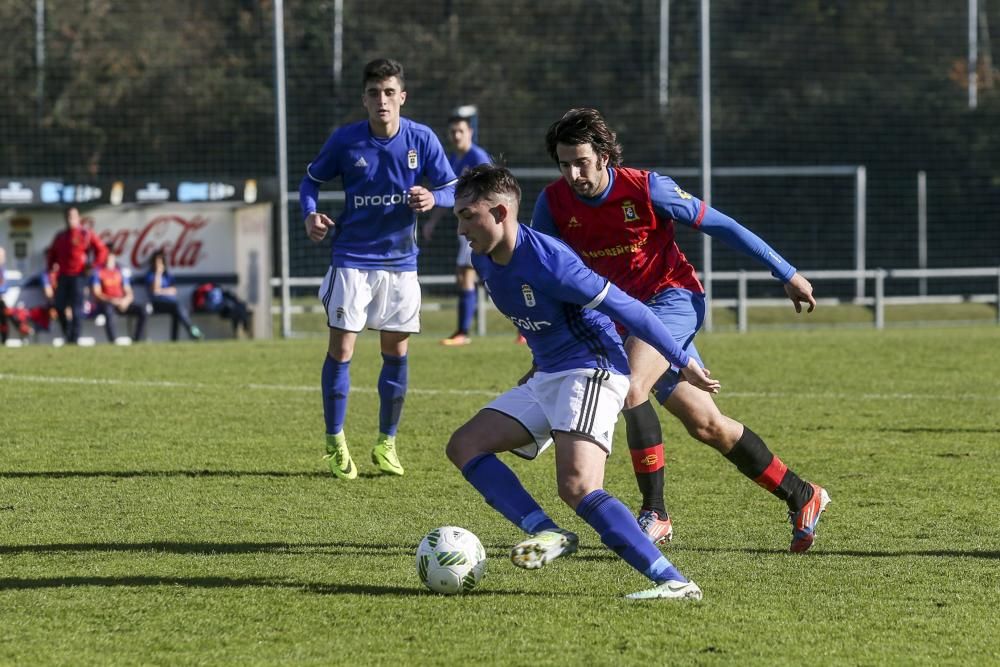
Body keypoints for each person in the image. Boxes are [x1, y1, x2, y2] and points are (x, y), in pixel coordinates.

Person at [532, 108, 830, 552]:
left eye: (582, 162)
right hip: (626, 319)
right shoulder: (553, 204)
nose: (573, 173)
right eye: (564, 164)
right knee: (708, 424)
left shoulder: (646, 188)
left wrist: (784, 271)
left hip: (673, 300)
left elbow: (723, 226)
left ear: (605, 156)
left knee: (631, 388)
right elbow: (545, 275)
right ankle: (803, 495)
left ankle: (655, 514)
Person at [446, 164, 719, 600]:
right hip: (550, 374)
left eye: (466, 215)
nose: (459, 227)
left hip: (593, 369)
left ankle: (675, 581)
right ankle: (547, 532)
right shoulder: (484, 257)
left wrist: (681, 359)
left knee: (578, 487)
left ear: (500, 212)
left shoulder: (551, 261)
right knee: (464, 445)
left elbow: (630, 309)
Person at [299, 58, 457, 479]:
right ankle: (335, 440)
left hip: (402, 264)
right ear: (364, 99)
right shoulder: (346, 141)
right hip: (351, 258)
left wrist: (433, 199)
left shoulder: (421, 138)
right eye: (374, 93)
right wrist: (310, 214)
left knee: (396, 352)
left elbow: (453, 187)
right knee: (343, 350)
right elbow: (310, 181)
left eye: (390, 92)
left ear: (402, 97)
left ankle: (386, 442)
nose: (382, 100)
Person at [421, 114, 493, 346]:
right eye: (453, 132)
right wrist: (432, 221)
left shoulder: (478, 157)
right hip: (467, 226)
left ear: (470, 132)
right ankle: (463, 331)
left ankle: (463, 332)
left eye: (461, 131)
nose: (456, 135)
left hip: (479, 225)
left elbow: (493, 191)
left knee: (473, 275)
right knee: (468, 275)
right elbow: (449, 194)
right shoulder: (452, 159)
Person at [45, 206, 108, 344]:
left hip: (79, 276)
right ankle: (68, 334)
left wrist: (92, 265)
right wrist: (50, 269)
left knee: (76, 308)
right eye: (68, 216)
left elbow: (102, 251)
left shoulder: (86, 234)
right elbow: (52, 255)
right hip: (63, 276)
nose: (70, 219)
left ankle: (75, 338)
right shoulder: (60, 236)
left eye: (73, 216)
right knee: (59, 305)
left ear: (78, 218)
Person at [144, 249, 202, 341]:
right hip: (157, 303)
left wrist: (161, 290)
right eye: (156, 262)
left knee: (178, 309)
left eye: (160, 262)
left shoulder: (167, 275)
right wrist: (158, 274)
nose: (158, 265)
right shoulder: (151, 275)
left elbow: (174, 290)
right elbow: (154, 291)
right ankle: (191, 328)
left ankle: (176, 338)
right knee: (177, 307)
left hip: (171, 302)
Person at [91, 252, 148, 343]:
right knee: (108, 310)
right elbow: (97, 294)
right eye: (107, 258)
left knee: (143, 310)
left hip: (122, 302)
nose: (109, 261)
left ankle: (137, 340)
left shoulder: (120, 271)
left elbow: (128, 291)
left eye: (111, 258)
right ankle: (113, 341)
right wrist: (113, 300)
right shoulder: (98, 272)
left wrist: (125, 301)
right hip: (108, 303)